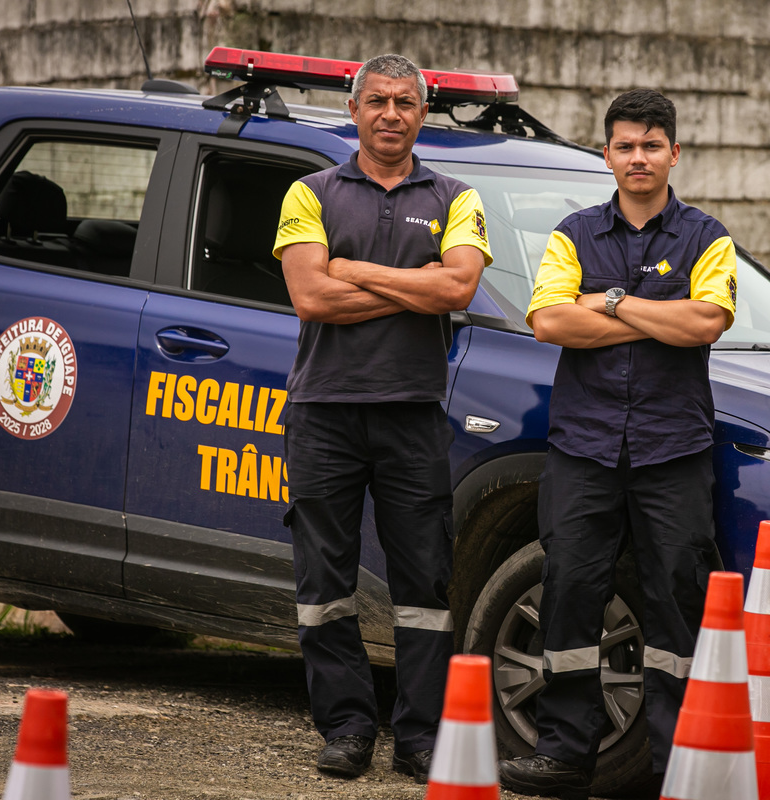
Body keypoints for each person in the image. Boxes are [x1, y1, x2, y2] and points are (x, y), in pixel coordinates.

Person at [497, 88, 738, 799]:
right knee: (570, 593)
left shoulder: (707, 237)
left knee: (677, 599)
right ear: (606, 154)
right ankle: (563, 755)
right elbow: (548, 322)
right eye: (626, 145)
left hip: (673, 451)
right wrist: (659, 314)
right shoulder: (573, 234)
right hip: (584, 448)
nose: (639, 157)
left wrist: (606, 302)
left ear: (674, 153)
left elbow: (705, 324)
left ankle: (677, 765)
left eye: (651, 145)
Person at [271, 53, 491, 782]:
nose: (390, 114)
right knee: (324, 582)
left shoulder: (457, 195)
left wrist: (352, 269)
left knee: (425, 584)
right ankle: (346, 729)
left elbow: (457, 290)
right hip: (324, 413)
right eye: (377, 100)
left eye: (404, 102)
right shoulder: (310, 192)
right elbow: (312, 299)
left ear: (423, 113)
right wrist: (414, 284)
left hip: (412, 415)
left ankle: (420, 737)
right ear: (354, 109)